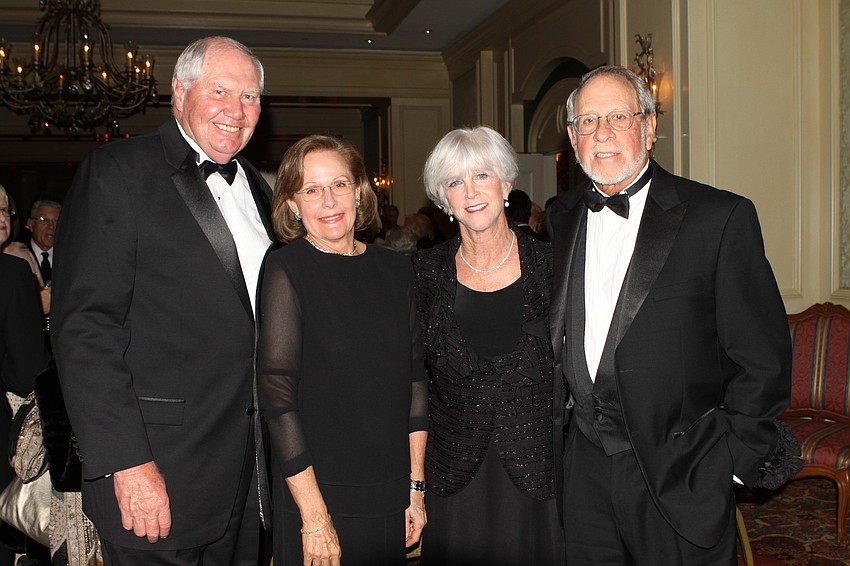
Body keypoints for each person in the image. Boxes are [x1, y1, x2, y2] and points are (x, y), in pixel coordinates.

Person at [547, 65, 798, 565]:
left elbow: (763, 356)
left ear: (649, 126)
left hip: (682, 471)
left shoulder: (718, 218)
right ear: (573, 138)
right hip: (584, 472)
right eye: (588, 121)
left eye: (618, 115)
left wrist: (728, 463)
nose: (603, 133)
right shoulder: (562, 214)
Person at [52, 36, 275, 566]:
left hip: (250, 474)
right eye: (220, 90)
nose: (236, 110)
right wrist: (126, 463)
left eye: (250, 96)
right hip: (159, 470)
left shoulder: (261, 189)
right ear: (179, 92)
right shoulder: (118, 172)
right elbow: (85, 328)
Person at [257, 134, 428, 566]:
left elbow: (415, 381)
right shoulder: (285, 269)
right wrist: (313, 516)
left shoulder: (395, 269)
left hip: (390, 491)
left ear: (358, 190)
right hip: (319, 491)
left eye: (338, 184)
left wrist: (415, 488)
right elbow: (277, 401)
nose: (329, 201)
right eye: (311, 190)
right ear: (293, 205)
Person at [413, 126, 563, 566]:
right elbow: (411, 379)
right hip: (455, 476)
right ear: (443, 198)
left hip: (538, 474)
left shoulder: (554, 266)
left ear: (506, 183)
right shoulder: (423, 273)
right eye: (455, 182)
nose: (471, 191)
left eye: (482, 175)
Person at [26, 200, 61, 285]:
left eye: (56, 221)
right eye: (43, 220)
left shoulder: (69, 256)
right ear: (30, 224)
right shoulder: (19, 253)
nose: (51, 226)